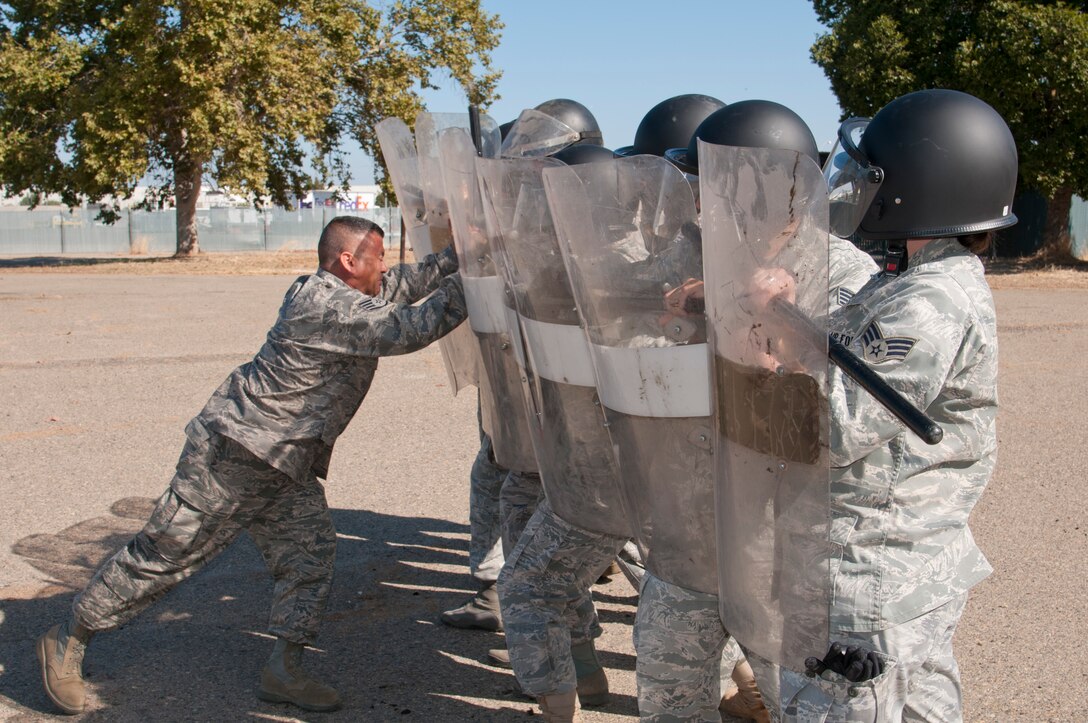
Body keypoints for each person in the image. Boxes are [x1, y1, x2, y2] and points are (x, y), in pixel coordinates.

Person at [36, 216, 467, 715]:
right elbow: (411, 327)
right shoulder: (327, 304)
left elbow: (399, 286)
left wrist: (457, 257)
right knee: (165, 554)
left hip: (287, 464)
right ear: (349, 261)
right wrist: (475, 280)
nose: (386, 266)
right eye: (379, 256)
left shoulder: (346, 291)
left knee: (309, 561)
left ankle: (283, 671)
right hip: (234, 455)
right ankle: (68, 639)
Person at [745, 88, 1016, 721]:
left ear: (919, 188)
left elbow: (831, 427)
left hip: (870, 569)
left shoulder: (928, 301)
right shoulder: (912, 280)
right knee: (920, 704)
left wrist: (758, 369)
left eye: (867, 176)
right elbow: (842, 347)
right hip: (897, 562)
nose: (851, 188)